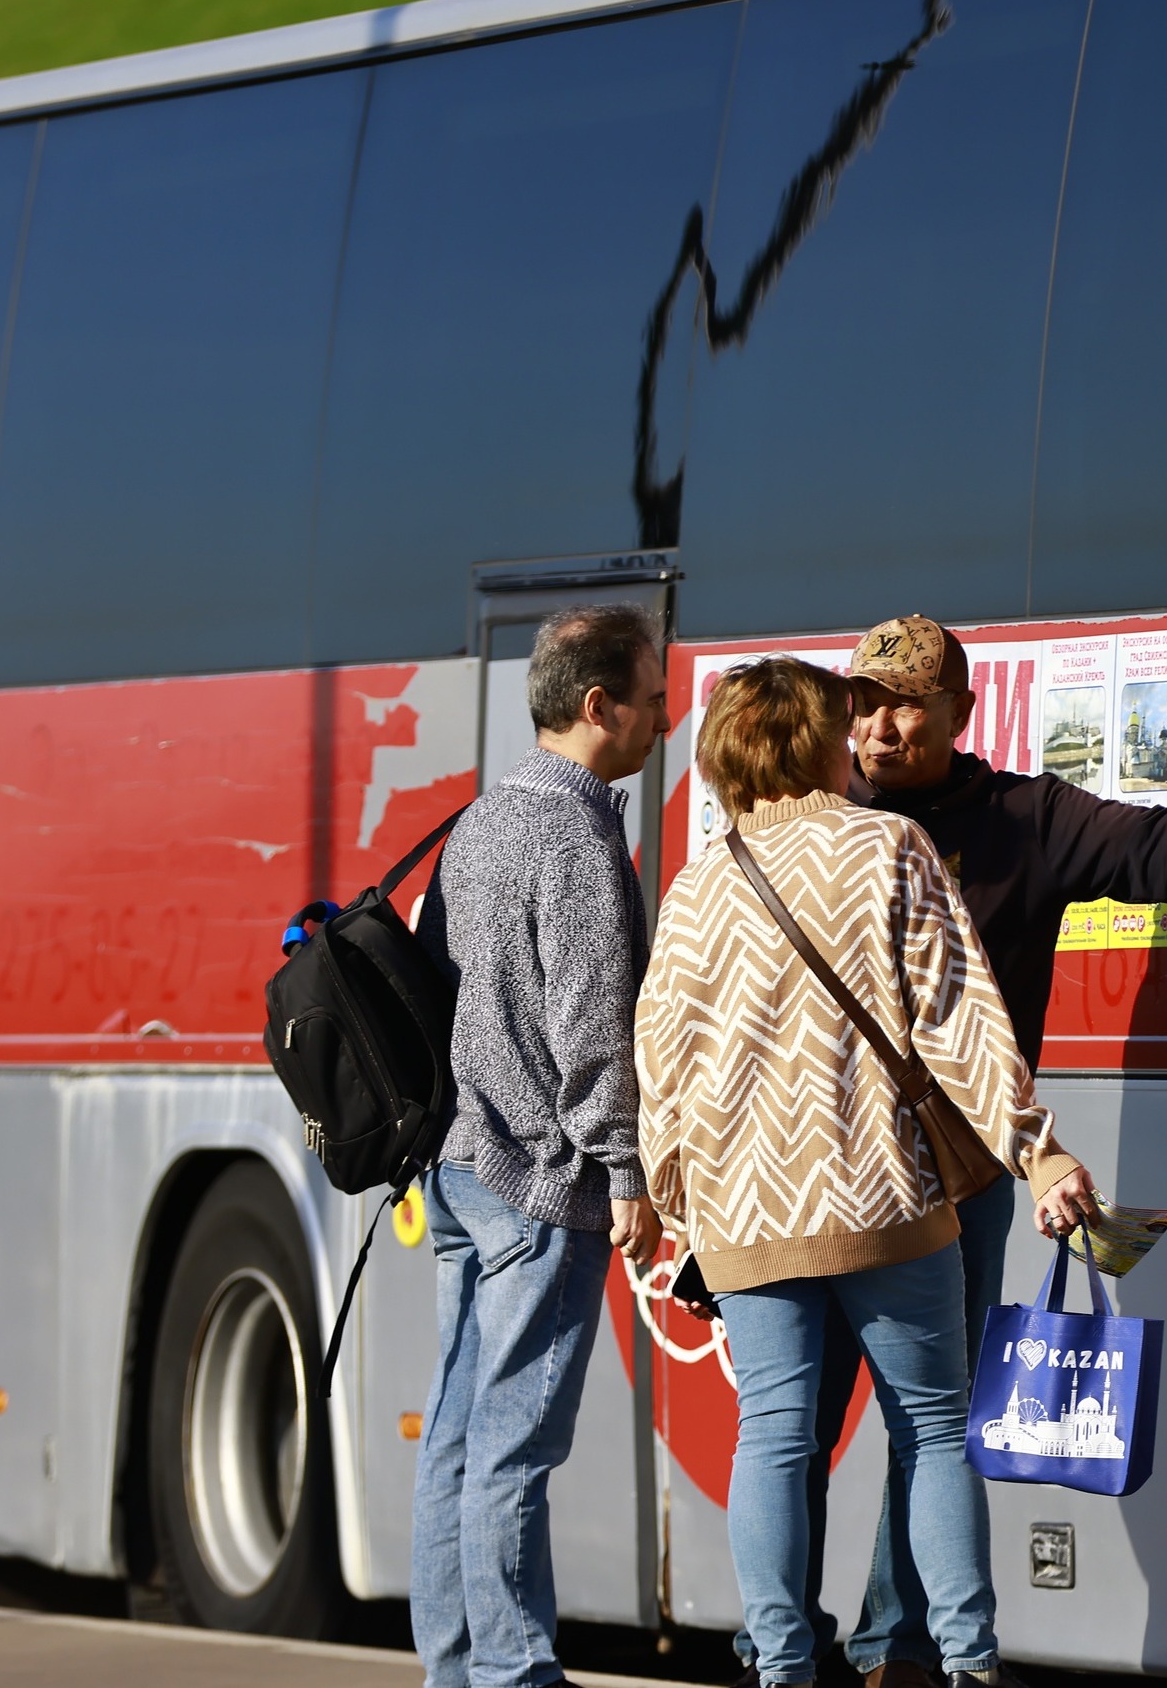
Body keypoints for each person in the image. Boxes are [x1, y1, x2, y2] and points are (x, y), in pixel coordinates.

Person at [772, 614, 1167, 1688]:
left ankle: (896, 1648)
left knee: (929, 1426)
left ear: (963, 713)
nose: (879, 722)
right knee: (803, 1422)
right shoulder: (813, 821)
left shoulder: (1020, 816)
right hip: (818, 1170)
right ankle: (779, 1650)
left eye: (907, 700)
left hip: (957, 1175)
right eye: (863, 701)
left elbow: (1150, 845)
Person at [636, 657, 1101, 1688]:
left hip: (749, 1213)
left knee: (775, 1435)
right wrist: (1034, 1146)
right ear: (819, 740)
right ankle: (970, 1662)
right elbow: (958, 1023)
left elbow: (658, 1066)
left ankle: (784, 1666)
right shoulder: (891, 848)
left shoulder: (698, 885)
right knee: (933, 1427)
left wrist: (685, 1205)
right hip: (884, 1196)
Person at [410, 604, 670, 1688]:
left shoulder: (478, 820)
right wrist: (624, 1172)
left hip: (463, 1166)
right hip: (539, 1181)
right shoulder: (575, 833)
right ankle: (515, 1673)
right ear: (598, 705)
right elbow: (593, 1026)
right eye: (652, 695)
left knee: (460, 1438)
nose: (668, 713)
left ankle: (455, 1667)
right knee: (514, 1447)